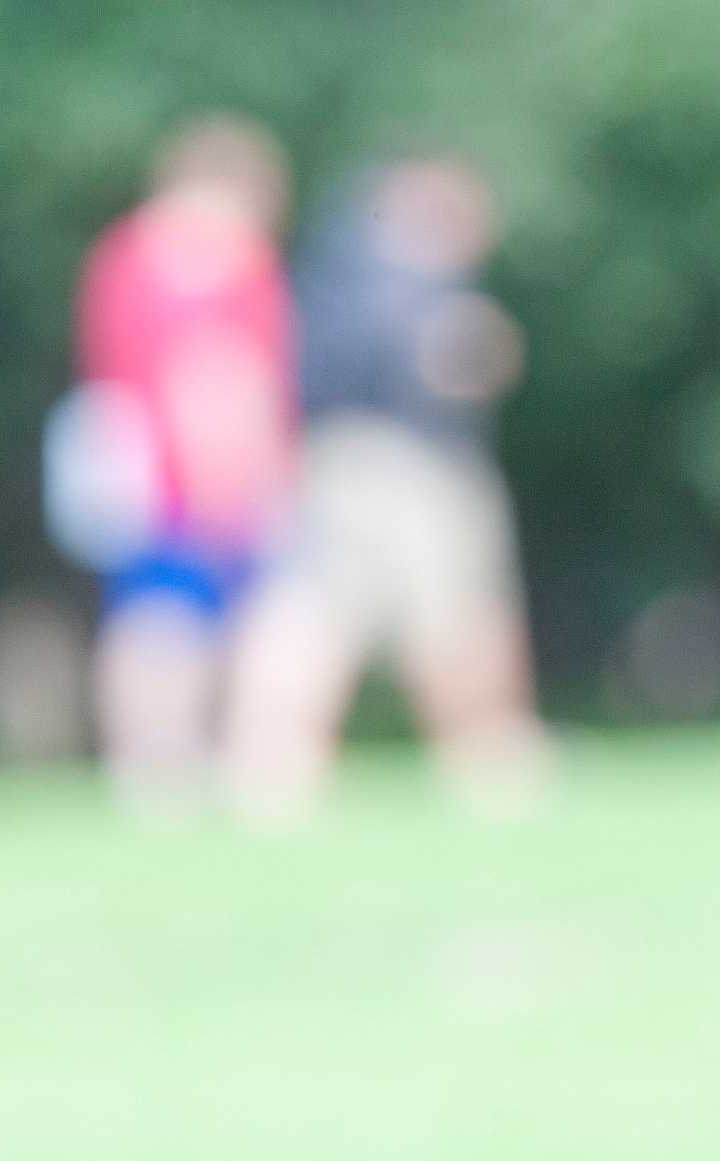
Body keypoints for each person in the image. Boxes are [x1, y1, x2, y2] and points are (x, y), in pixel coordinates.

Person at [224, 157, 545, 821]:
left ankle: (269, 767)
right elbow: (443, 352)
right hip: (409, 467)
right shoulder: (407, 275)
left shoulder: (331, 267)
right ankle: (488, 757)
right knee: (457, 612)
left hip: (330, 462)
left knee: (312, 611)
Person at [58, 114, 297, 816]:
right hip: (202, 478)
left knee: (146, 618)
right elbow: (217, 376)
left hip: (129, 470)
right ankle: (232, 767)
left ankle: (152, 770)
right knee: (201, 623)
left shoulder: (120, 254)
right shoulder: (220, 258)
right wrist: (245, 479)